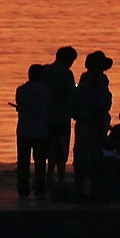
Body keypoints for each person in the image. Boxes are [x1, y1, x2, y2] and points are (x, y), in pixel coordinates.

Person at [73, 50, 114, 198]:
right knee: (88, 154)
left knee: (89, 154)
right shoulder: (94, 84)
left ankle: (89, 188)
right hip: (89, 123)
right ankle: (87, 188)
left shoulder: (88, 83)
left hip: (90, 122)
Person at [14, 63, 53, 197]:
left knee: (23, 161)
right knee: (40, 162)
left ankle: (23, 189)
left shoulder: (20, 90)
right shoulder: (45, 91)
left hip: (24, 129)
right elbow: (48, 108)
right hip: (40, 130)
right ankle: (39, 188)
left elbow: (20, 105)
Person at [43, 46, 78, 190]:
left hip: (47, 116)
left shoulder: (45, 70)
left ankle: (49, 177)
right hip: (62, 117)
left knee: (49, 148)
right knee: (62, 149)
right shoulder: (67, 74)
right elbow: (72, 95)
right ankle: (61, 178)